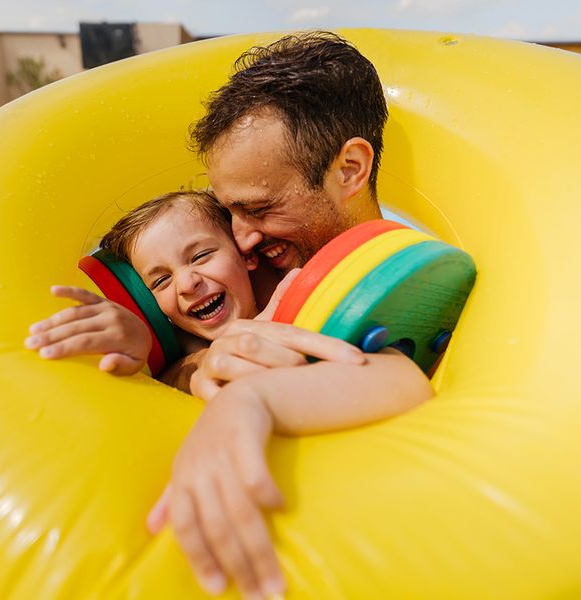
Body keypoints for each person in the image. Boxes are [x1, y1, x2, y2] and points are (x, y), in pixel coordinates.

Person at [145, 32, 433, 599]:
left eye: (259, 208)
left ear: (350, 168)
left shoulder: (401, 266)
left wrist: (247, 400)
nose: (243, 240)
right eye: (228, 214)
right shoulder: (264, 266)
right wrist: (175, 360)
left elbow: (401, 373)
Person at [25, 190, 362, 375]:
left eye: (200, 256)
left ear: (246, 255)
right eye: (161, 281)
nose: (186, 283)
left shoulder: (296, 288)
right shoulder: (186, 353)